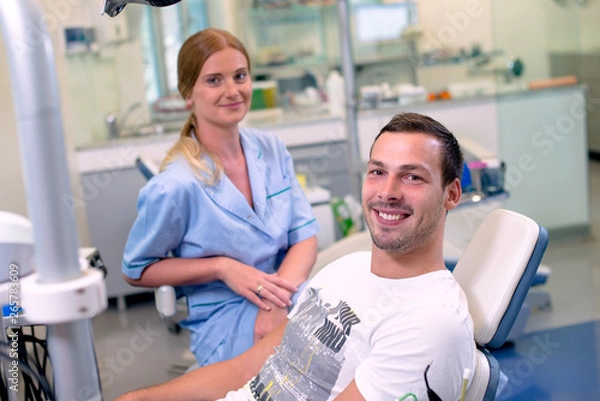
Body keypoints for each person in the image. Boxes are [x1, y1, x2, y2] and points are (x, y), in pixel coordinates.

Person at [117, 112, 476, 401]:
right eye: (377, 172)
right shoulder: (344, 271)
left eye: (412, 177)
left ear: (451, 194)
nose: (388, 192)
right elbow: (245, 370)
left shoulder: (430, 323)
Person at [121, 28, 319, 366]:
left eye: (240, 76)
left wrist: (276, 301)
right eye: (214, 80)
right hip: (224, 319)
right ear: (187, 94)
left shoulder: (270, 148)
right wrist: (221, 268)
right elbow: (136, 269)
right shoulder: (175, 185)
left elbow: (305, 236)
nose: (233, 91)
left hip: (286, 296)